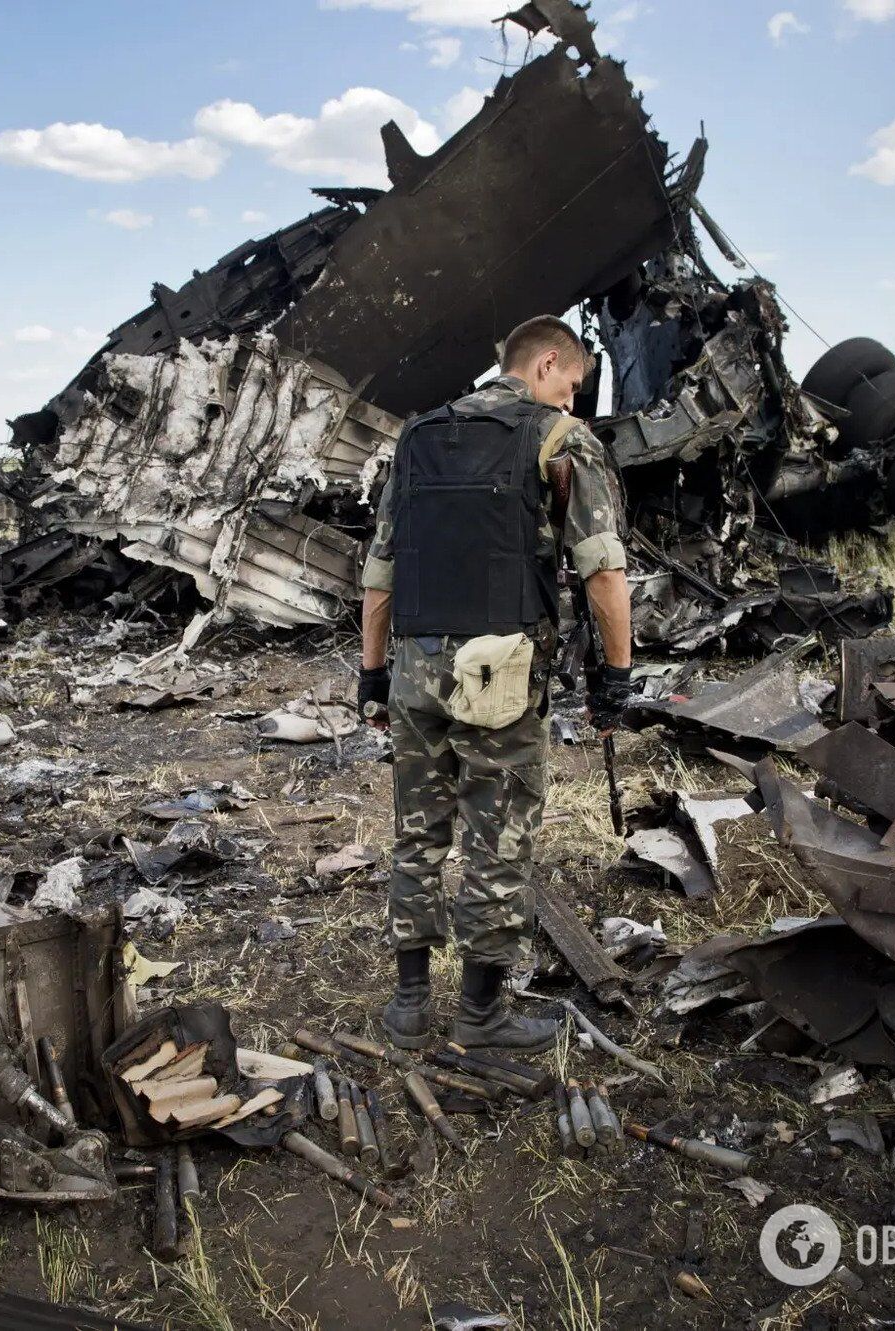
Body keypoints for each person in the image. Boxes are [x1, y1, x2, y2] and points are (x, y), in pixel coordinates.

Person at [355, 314, 634, 1052]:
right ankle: (479, 1014)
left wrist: (372, 675)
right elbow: (604, 573)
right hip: (500, 679)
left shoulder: (417, 437)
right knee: (497, 840)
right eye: (570, 387)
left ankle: (409, 1006)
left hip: (413, 672)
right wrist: (617, 676)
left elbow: (380, 573)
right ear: (545, 365)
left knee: (417, 835)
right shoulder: (559, 439)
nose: (571, 403)